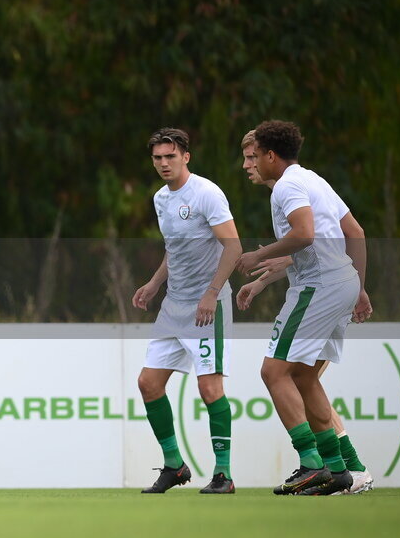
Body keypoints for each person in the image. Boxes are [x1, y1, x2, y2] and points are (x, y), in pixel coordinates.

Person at [237, 128, 374, 494]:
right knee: (304, 377)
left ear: (270, 155)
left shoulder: (285, 187)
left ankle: (312, 463)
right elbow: (355, 233)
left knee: (273, 371)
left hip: (318, 288)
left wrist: (257, 255)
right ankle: (339, 470)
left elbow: (305, 234)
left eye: (253, 156)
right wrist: (358, 287)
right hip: (341, 282)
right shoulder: (313, 179)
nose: (247, 164)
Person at [132, 128, 242, 494]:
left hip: (207, 307)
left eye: (170, 156)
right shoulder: (161, 198)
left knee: (210, 388)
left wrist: (211, 293)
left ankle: (223, 475)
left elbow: (233, 247)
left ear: (186, 157)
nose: (164, 163)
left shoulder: (206, 193)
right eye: (158, 158)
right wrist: (153, 283)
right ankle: (175, 466)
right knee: (148, 383)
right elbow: (173, 249)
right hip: (174, 306)